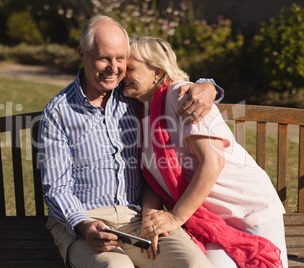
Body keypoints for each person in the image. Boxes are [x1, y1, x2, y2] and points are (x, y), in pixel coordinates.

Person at [38, 15, 223, 267]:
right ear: (83, 54)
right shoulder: (58, 111)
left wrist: (207, 85)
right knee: (116, 267)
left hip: (137, 219)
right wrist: (84, 226)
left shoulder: (133, 97)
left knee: (195, 265)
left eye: (120, 59)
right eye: (104, 58)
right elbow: (56, 188)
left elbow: (169, 81)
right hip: (84, 221)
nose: (114, 68)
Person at [122, 36, 288, 267]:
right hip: (210, 221)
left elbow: (213, 162)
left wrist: (176, 217)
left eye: (129, 68)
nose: (122, 74)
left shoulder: (184, 97)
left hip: (246, 208)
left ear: (157, 72)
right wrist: (149, 220)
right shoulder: (141, 111)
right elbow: (153, 176)